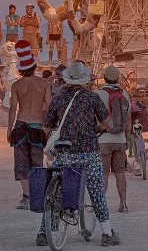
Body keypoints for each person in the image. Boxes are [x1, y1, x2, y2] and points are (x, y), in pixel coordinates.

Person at [40, 61, 121, 247]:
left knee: (54, 193)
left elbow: (47, 126)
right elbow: (108, 123)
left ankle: (43, 232)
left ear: (67, 79)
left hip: (64, 151)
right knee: (96, 191)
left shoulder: (58, 98)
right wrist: (96, 128)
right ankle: (107, 233)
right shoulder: (91, 98)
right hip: (88, 151)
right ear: (85, 80)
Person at [7, 41, 50, 209]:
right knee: (37, 163)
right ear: (34, 67)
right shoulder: (43, 84)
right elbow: (49, 107)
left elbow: (12, 110)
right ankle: (38, 196)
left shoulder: (16, 85)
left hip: (20, 126)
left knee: (22, 163)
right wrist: (47, 128)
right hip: (37, 127)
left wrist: (9, 129)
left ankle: (26, 197)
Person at [96, 66, 131, 212]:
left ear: (104, 78)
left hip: (103, 139)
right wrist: (127, 139)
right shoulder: (125, 94)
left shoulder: (98, 94)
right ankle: (123, 204)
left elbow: (95, 119)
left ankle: (100, 205)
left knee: (103, 173)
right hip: (120, 139)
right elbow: (128, 119)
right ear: (118, 78)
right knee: (120, 174)